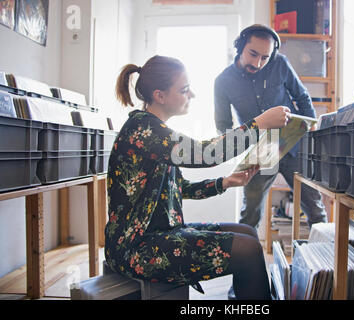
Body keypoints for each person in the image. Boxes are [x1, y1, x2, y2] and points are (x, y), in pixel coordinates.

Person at [104, 55, 291, 300]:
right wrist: (259, 124)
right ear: (160, 95)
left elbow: (179, 189)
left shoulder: (155, 130)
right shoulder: (144, 130)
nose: (191, 94)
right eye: (184, 90)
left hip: (161, 233)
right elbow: (206, 154)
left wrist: (225, 182)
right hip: (134, 248)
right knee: (248, 249)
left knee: (248, 234)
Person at [214, 24, 327, 230]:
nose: (258, 63)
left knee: (315, 209)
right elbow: (223, 127)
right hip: (259, 151)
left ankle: (324, 261)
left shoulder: (281, 64)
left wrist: (310, 130)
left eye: (265, 58)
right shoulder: (222, 81)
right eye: (253, 54)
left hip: (294, 145)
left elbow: (302, 98)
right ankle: (248, 261)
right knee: (249, 216)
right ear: (240, 47)